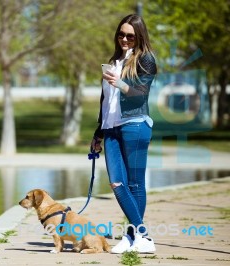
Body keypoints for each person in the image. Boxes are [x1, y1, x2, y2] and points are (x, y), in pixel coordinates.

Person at [90, 14, 157, 254]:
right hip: (111, 128)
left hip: (135, 125)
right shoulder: (114, 60)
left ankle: (135, 237)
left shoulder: (146, 60)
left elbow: (140, 94)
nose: (125, 39)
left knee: (135, 183)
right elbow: (105, 100)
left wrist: (119, 83)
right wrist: (98, 132)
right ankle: (139, 236)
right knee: (116, 182)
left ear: (139, 36)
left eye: (130, 35)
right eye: (121, 34)